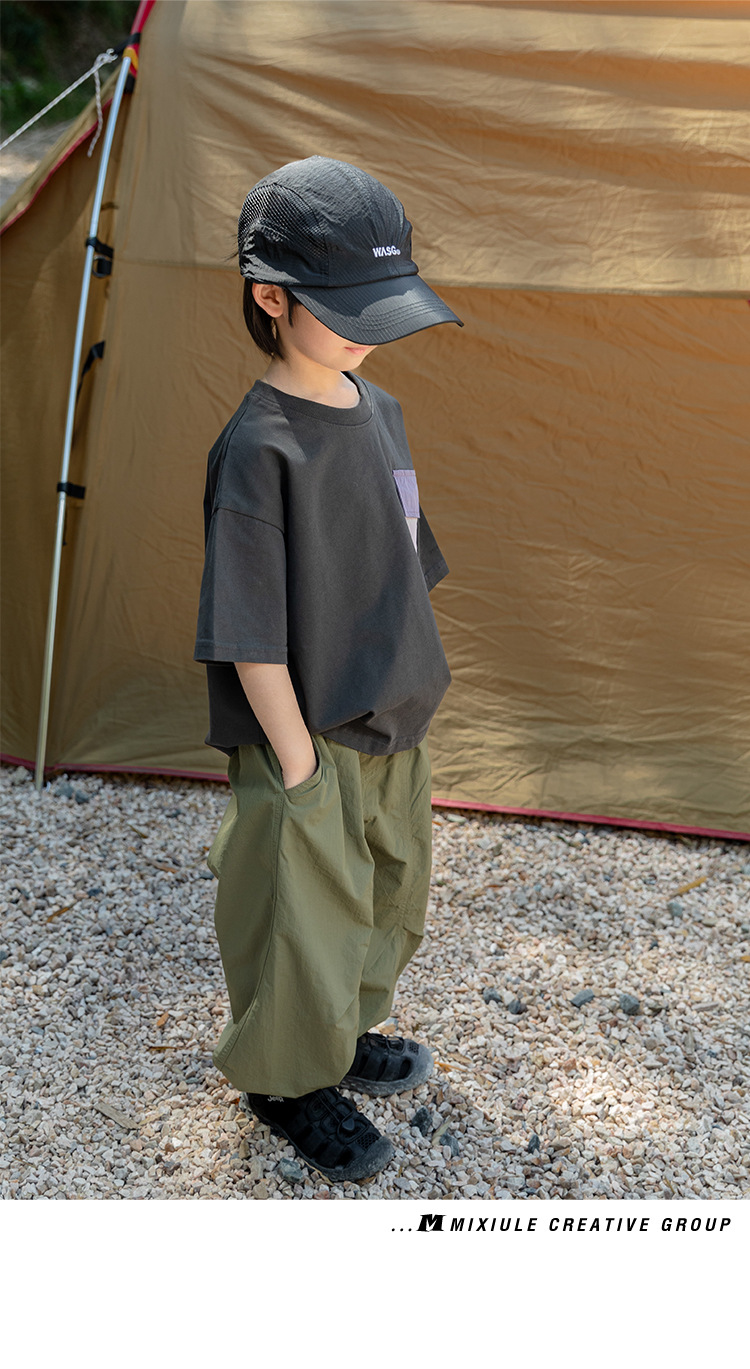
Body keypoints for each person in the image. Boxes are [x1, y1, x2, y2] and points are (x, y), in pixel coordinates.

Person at [193, 155, 462, 1185]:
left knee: (385, 895)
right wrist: (298, 768)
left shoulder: (379, 410)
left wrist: (409, 672)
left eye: (382, 305)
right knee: (299, 919)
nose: (370, 330)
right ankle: (283, 1077)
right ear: (271, 297)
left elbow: (401, 548)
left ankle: (339, 1036)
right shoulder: (259, 450)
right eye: (347, 308)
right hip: (303, 732)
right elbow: (249, 633)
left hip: (392, 714)